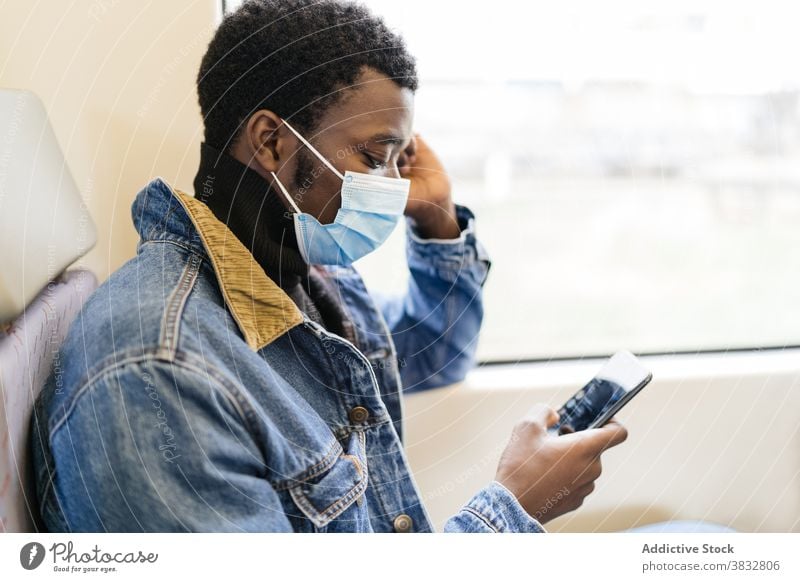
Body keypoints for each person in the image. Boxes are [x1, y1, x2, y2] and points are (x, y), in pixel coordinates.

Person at [32, 0, 642, 533]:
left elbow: (436, 353)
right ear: (272, 141)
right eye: (378, 157)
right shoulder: (158, 371)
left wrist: (438, 221)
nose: (396, 186)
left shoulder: (303, 274)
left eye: (402, 161)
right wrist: (514, 507)